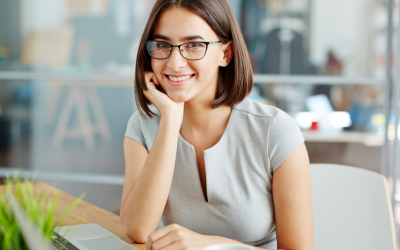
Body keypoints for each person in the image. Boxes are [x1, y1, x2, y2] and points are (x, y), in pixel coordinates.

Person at [120, 0, 313, 249]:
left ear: (225, 54)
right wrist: (170, 119)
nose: (175, 63)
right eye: (162, 45)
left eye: (193, 45)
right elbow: (138, 229)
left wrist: (208, 246)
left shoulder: (274, 130)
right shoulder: (142, 126)